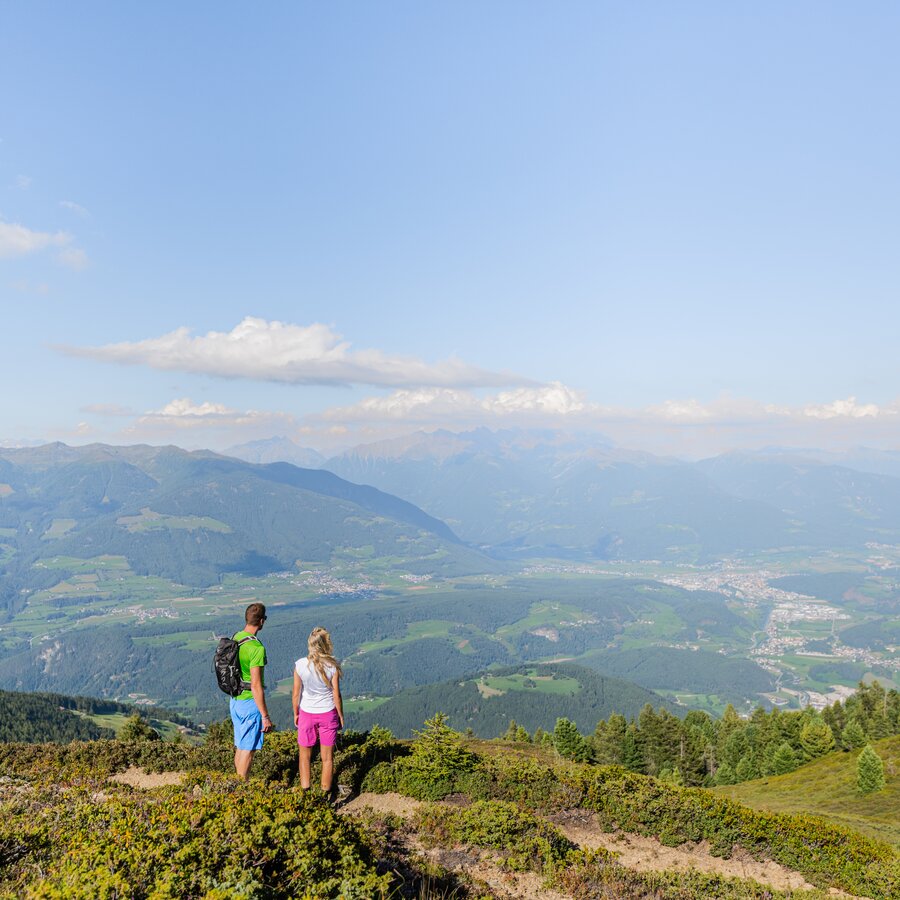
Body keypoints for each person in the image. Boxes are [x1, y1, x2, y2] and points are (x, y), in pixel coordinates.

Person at [292, 626, 344, 794]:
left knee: (304, 757)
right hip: (328, 712)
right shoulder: (332, 666)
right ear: (326, 644)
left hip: (306, 713)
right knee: (327, 758)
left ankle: (305, 792)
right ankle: (325, 794)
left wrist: (296, 713)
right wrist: (340, 715)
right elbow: (336, 695)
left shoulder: (300, 665)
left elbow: (296, 693)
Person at [231, 602, 273, 779]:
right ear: (262, 621)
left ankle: (235, 783)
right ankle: (240, 788)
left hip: (236, 700)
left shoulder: (237, 637)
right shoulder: (256, 648)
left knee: (241, 746)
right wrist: (265, 716)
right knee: (248, 749)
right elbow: (256, 685)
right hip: (250, 702)